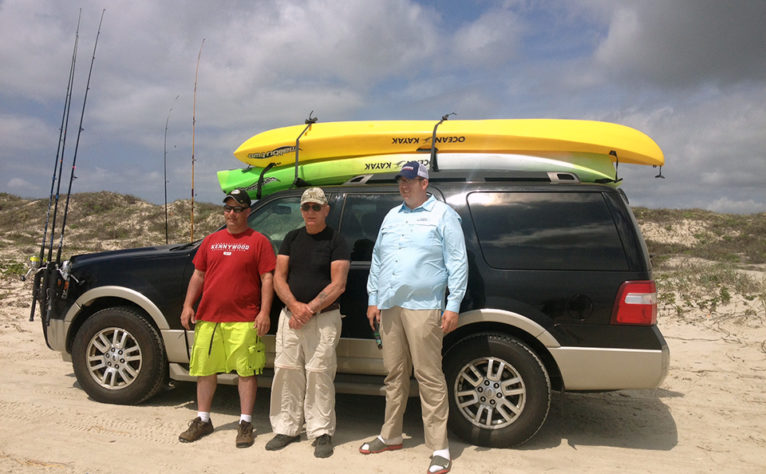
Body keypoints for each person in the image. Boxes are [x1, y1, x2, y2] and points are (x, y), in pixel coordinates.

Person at [361, 162, 468, 474]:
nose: (403, 185)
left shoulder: (443, 215)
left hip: (425, 306)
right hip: (390, 305)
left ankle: (439, 448)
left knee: (429, 376)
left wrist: (453, 304)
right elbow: (378, 260)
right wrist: (373, 299)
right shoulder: (392, 216)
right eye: (401, 180)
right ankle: (391, 435)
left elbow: (457, 262)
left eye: (410, 180)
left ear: (424, 183)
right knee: (394, 374)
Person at [178, 188, 275, 448]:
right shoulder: (211, 240)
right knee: (205, 370)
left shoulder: (259, 241)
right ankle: (203, 419)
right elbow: (198, 275)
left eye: (238, 209)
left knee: (246, 372)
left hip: (244, 319)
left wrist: (264, 312)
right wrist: (188, 305)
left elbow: (268, 279)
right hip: (209, 318)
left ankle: (245, 423)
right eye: (228, 208)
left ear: (248, 212)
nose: (232, 214)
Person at [266, 187, 350, 458]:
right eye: (306, 207)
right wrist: (294, 306)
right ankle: (286, 428)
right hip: (290, 317)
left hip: (323, 319)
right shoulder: (291, 238)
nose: (310, 212)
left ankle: (321, 431)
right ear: (301, 211)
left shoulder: (336, 240)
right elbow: (279, 277)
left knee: (319, 373)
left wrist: (309, 309)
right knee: (286, 370)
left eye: (316, 207)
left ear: (326, 209)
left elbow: (338, 284)